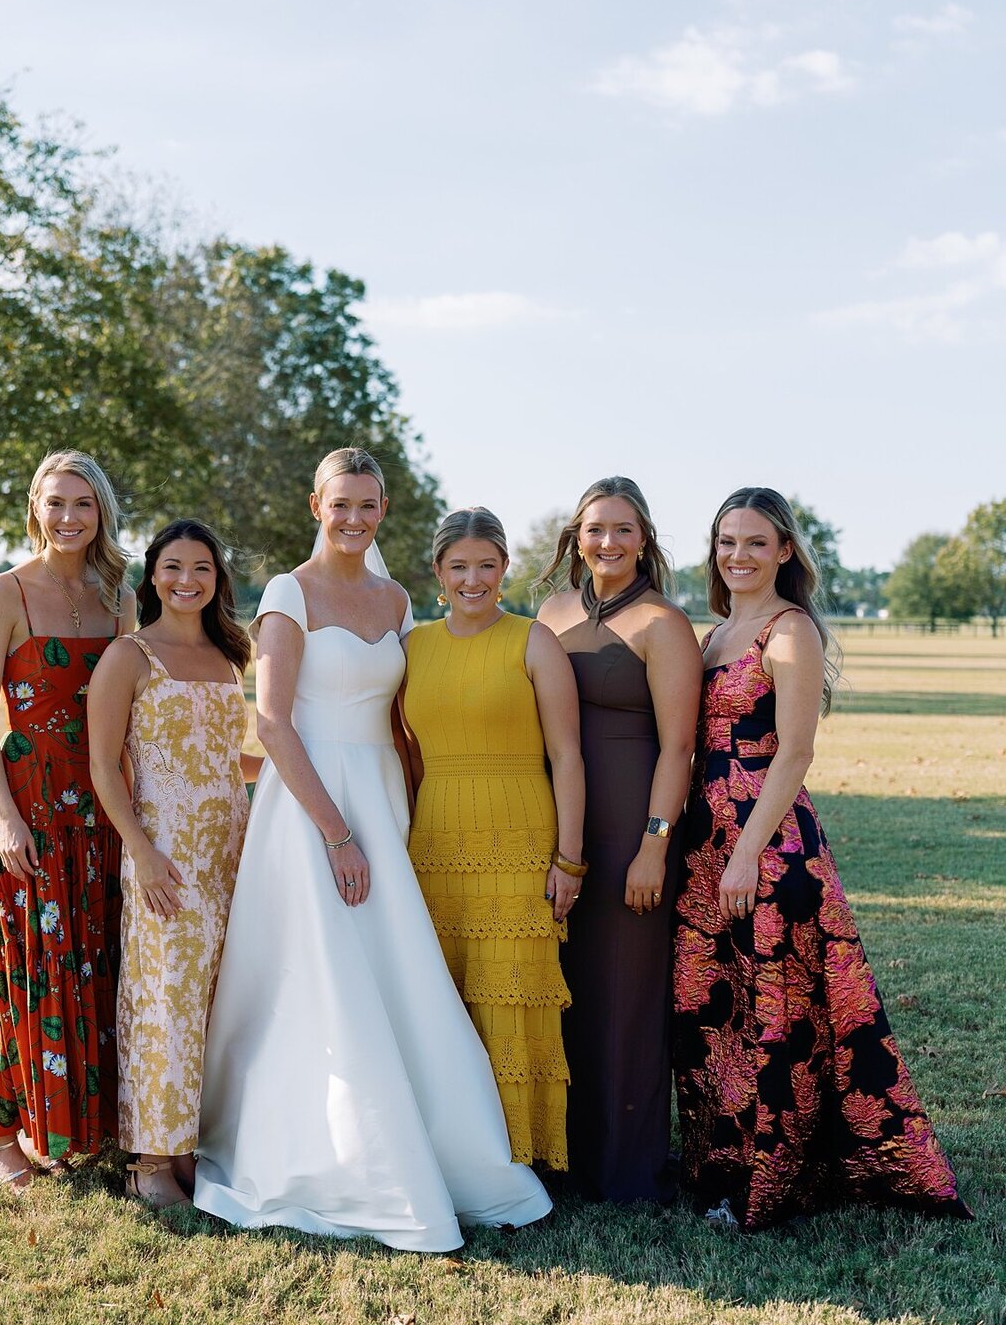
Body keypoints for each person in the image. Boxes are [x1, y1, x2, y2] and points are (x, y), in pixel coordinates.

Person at [193, 449, 552, 1250]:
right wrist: (338, 834)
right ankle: (333, 1156)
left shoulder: (395, 599)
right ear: (315, 504)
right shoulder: (288, 594)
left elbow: (404, 720)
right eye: (340, 504)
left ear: (383, 510)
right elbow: (274, 724)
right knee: (321, 976)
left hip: (384, 800)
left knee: (397, 967)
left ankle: (441, 1143)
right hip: (312, 808)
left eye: (368, 506)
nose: (353, 520)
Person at [672, 486, 969, 1229]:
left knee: (775, 1013)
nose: (738, 555)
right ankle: (719, 1165)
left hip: (765, 847)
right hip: (703, 845)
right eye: (726, 542)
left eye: (754, 542)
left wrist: (744, 856)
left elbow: (795, 751)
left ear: (784, 552)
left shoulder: (788, 630)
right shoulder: (713, 635)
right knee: (713, 1010)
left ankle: (773, 1184)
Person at [0, 450, 134, 1191]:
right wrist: (6, 816)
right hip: (28, 803)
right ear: (34, 507)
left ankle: (81, 1126)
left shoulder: (120, 594)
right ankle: (0, 1137)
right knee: (25, 965)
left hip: (102, 805)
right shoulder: (3, 593)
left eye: (83, 505)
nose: (68, 518)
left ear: (101, 513)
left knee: (96, 958)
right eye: (55, 503)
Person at [402, 507, 584, 1171]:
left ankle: (519, 1160)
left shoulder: (533, 641)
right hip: (435, 842)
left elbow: (567, 756)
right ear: (439, 573)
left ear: (505, 568)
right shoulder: (414, 646)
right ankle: (456, 1158)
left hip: (521, 842)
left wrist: (569, 859)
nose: (472, 578)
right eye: (459, 566)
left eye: (486, 565)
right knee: (444, 998)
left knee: (511, 1001)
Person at [87, 520, 261, 1209]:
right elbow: (103, 766)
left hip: (231, 852)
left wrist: (302, 762)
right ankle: (151, 1158)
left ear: (218, 580)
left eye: (203, 570)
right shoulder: (129, 657)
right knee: (167, 1001)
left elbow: (230, 759)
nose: (187, 581)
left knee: (218, 1000)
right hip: (165, 855)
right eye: (173, 567)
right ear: (152, 574)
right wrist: (143, 851)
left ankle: (195, 1144)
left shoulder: (229, 656)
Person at [537, 477, 701, 1203]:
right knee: (564, 988)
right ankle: (559, 1157)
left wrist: (654, 845)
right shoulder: (549, 612)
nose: (608, 541)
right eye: (596, 528)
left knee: (626, 994)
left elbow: (680, 749)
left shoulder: (663, 624)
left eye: (623, 529)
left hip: (635, 827)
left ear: (645, 541)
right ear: (577, 537)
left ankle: (627, 1170)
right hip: (559, 824)